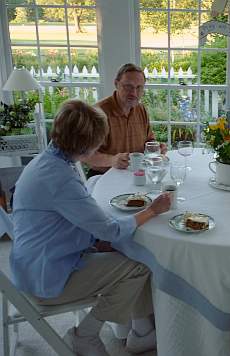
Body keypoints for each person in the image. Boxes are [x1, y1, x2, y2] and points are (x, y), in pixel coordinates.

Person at [10, 100, 171, 356]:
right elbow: (112, 231)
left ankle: (135, 327)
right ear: (85, 145)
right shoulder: (59, 178)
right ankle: (85, 335)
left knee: (121, 250)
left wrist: (97, 239)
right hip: (47, 276)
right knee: (139, 264)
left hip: (33, 260)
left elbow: (76, 220)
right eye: (98, 140)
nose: (100, 144)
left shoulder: (50, 159)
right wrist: (152, 210)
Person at [82, 63, 166, 178]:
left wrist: (155, 148)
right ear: (116, 84)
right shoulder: (97, 113)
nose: (134, 93)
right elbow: (86, 155)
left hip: (135, 174)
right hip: (104, 176)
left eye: (139, 87)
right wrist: (112, 160)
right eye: (128, 86)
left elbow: (149, 140)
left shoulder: (141, 109)